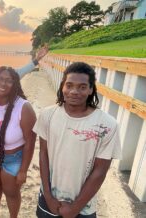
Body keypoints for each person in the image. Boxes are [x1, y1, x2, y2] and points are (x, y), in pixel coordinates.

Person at [34, 62, 122, 218]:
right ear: (63, 87)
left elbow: (100, 170)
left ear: (90, 89)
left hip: (84, 206)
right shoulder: (47, 115)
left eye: (82, 87)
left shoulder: (107, 125)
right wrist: (48, 196)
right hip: (49, 198)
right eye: (69, 85)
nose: (74, 91)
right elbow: (43, 155)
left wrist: (75, 207)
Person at [0, 66, 37, 218]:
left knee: (11, 192)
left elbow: (30, 141)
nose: (3, 83)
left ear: (15, 84)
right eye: (0, 79)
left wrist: (23, 170)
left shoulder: (23, 107)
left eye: (9, 81)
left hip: (13, 157)